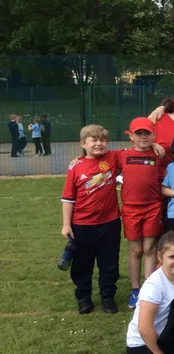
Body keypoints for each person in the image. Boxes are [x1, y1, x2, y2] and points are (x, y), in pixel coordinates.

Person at [60, 124, 121, 314]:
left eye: (103, 140)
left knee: (109, 262)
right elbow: (68, 198)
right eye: (94, 140)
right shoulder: (75, 166)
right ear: (83, 144)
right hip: (82, 225)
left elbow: (137, 151)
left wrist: (155, 146)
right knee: (82, 263)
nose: (99, 144)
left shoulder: (113, 157)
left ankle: (107, 296)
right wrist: (66, 224)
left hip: (110, 223)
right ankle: (83, 297)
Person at [120, 118, 167, 310]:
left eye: (147, 133)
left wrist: (156, 145)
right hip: (130, 209)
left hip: (153, 207)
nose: (143, 137)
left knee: (149, 248)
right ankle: (135, 289)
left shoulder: (159, 155)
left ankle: (148, 288)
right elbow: (100, 158)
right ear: (131, 136)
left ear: (153, 135)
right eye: (138, 134)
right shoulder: (122, 156)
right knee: (136, 250)